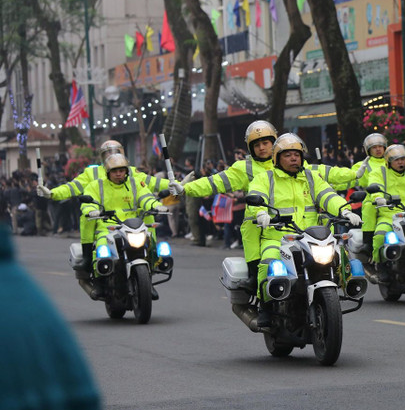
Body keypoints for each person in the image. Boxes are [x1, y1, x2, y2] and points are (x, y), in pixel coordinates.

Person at [0, 225, 101, 410]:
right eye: (115, 175)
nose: (119, 176)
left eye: (122, 175)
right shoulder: (27, 300)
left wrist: (158, 202)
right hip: (103, 233)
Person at [247, 133, 361, 327]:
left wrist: (345, 210)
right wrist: (260, 213)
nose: (293, 158)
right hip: (278, 237)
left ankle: (350, 288)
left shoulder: (310, 177)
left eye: (297, 154)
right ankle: (266, 307)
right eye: (288, 155)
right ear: (276, 158)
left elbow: (328, 195)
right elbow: (256, 196)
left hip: (312, 236)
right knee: (268, 263)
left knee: (340, 256)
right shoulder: (265, 178)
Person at [37, 139, 173, 279]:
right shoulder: (93, 176)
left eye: (116, 153)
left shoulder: (132, 174)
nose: (118, 172)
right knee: (87, 220)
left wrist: (176, 187)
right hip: (106, 221)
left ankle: (153, 257)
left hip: (133, 223)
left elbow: (151, 186)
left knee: (149, 218)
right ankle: (89, 257)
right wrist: (52, 193)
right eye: (108, 154)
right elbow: (72, 187)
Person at [177, 121, 279, 276]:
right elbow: (215, 182)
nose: (262, 148)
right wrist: (186, 188)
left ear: (275, 143)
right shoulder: (244, 168)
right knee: (260, 277)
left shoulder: (288, 162)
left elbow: (319, 180)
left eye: (266, 143)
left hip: (293, 229)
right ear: (251, 147)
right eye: (257, 144)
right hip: (257, 230)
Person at [80, 154, 167, 297]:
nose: (118, 174)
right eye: (114, 171)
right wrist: (91, 210)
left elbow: (146, 198)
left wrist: (157, 206)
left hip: (134, 226)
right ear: (108, 172)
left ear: (126, 170)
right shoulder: (96, 186)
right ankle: (100, 283)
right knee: (102, 249)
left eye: (121, 170)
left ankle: (148, 282)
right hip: (108, 227)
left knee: (150, 245)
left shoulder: (136, 184)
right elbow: (88, 202)